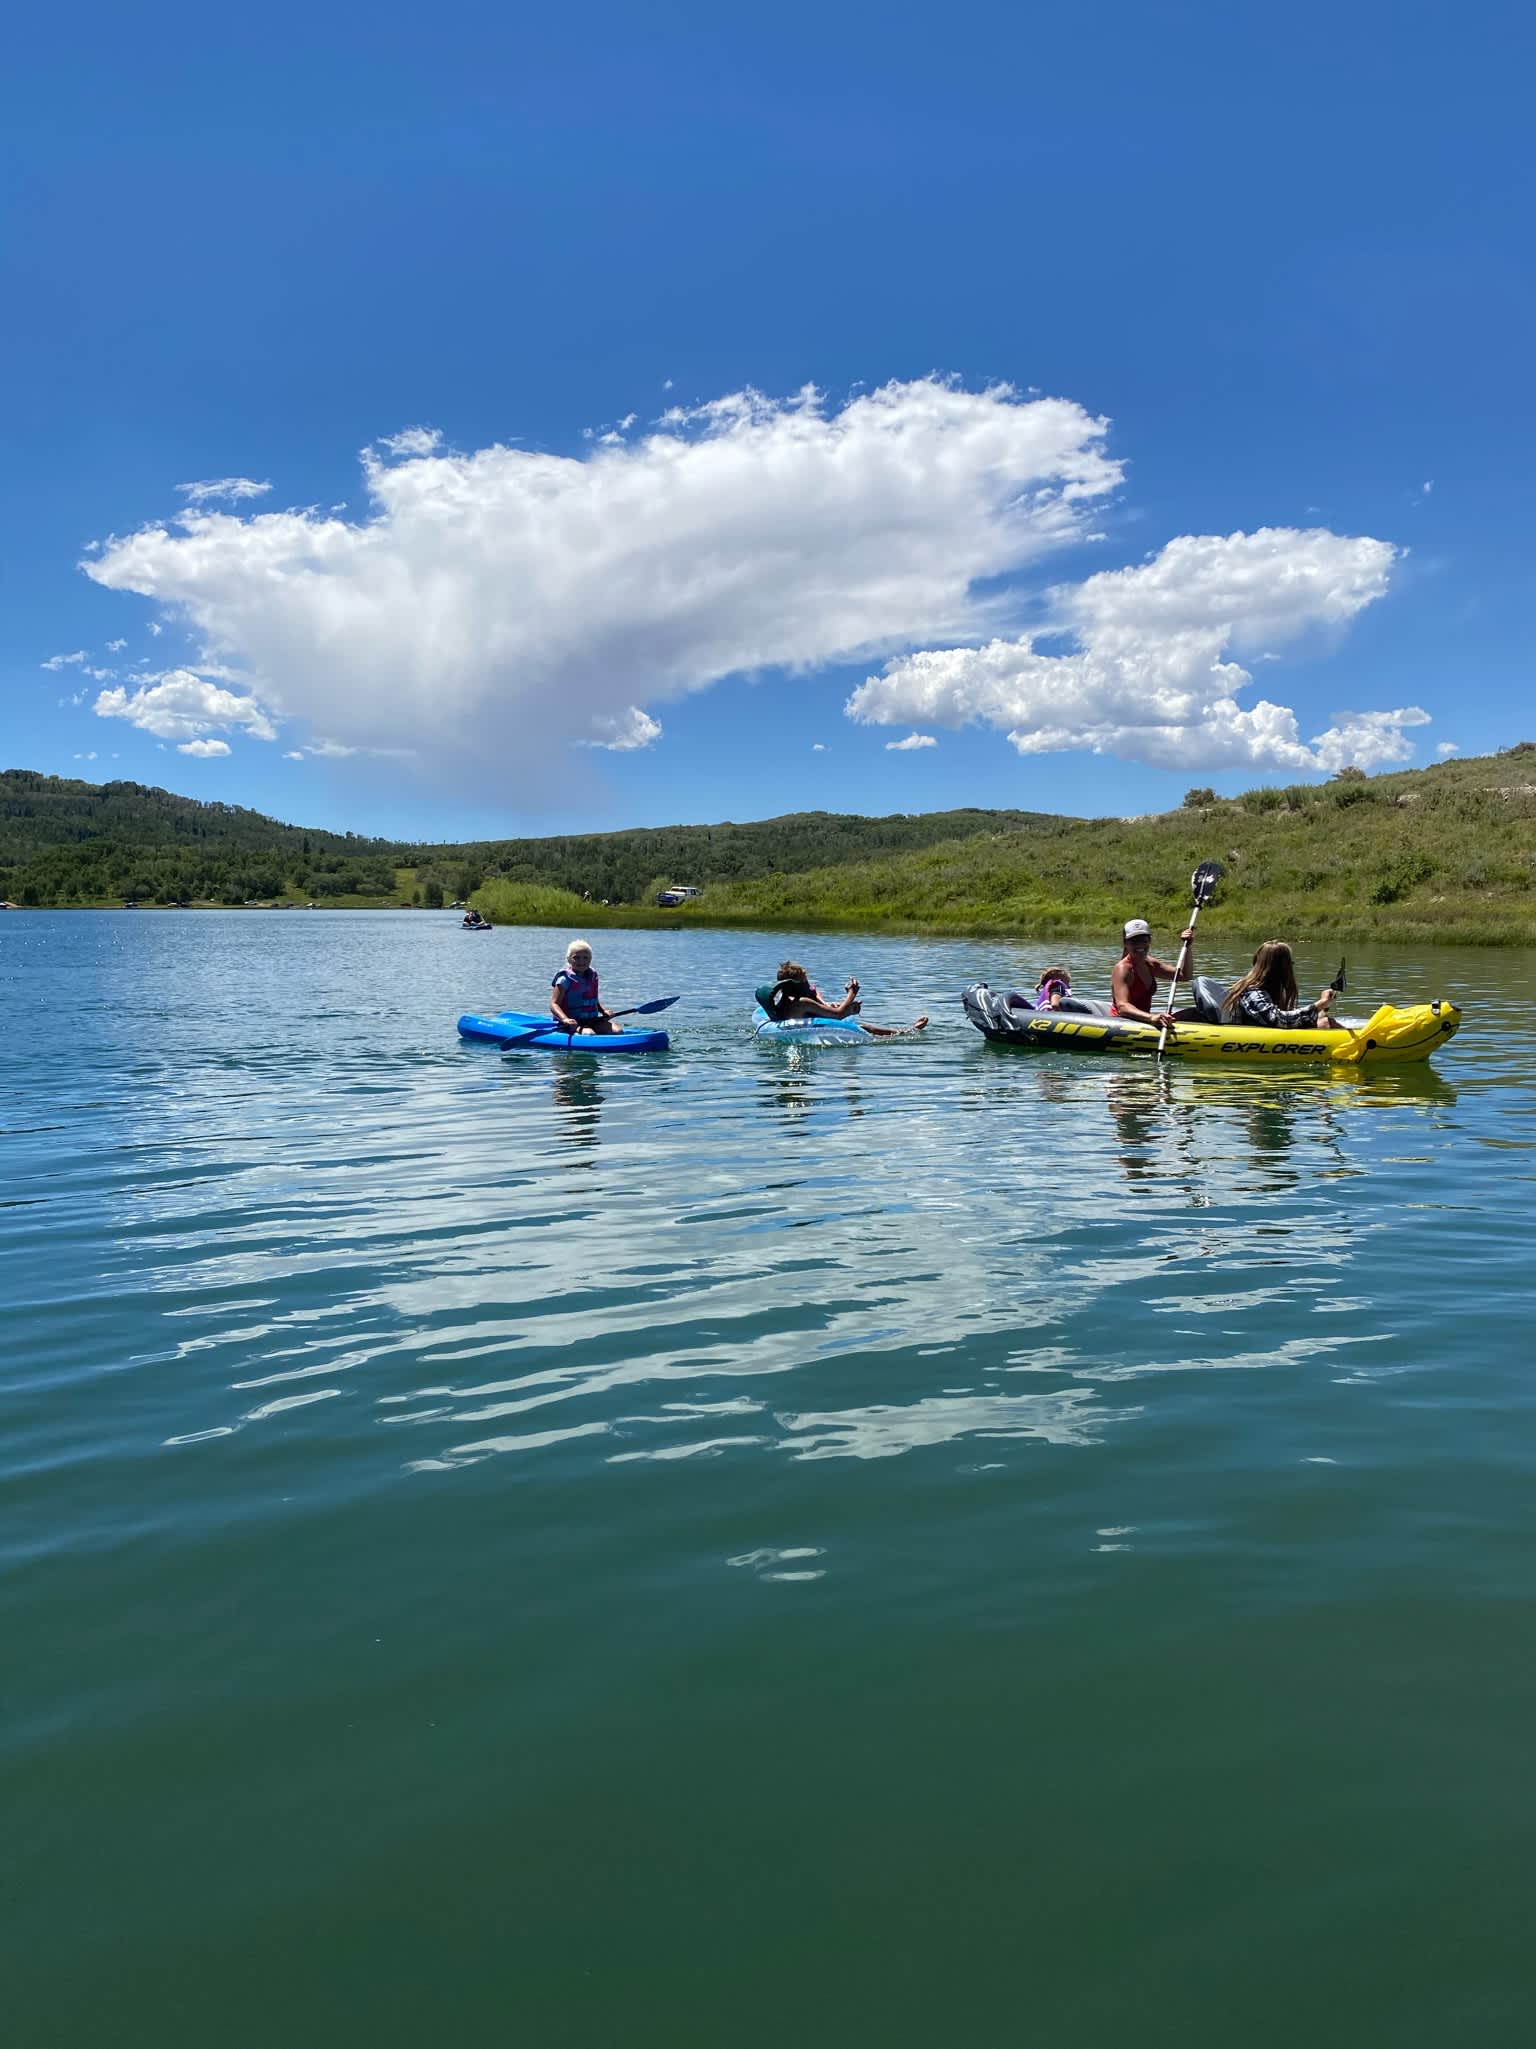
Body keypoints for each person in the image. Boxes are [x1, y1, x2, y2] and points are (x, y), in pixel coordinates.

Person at [758, 961, 927, 1036]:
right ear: (798, 984)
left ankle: (907, 1030)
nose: (809, 983)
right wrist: (852, 992)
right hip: (804, 1034)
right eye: (805, 980)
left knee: (850, 1018)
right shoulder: (802, 1002)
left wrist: (840, 1006)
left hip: (798, 1028)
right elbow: (838, 1015)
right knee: (863, 1027)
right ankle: (907, 1032)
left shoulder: (786, 999)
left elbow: (825, 1010)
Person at [1220, 941, 1337, 1030]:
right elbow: (1277, 1020)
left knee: (1324, 1020)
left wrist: (1324, 1007)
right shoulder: (1253, 992)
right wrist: (1319, 1004)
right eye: (1290, 964)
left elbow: (1291, 1019)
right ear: (1281, 968)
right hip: (1253, 1038)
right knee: (1326, 1023)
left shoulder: (1265, 991)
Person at [1110, 918, 1198, 1026]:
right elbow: (1123, 1006)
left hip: (1144, 1019)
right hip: (1122, 1021)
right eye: (1134, 942)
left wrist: (1187, 946)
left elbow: (1184, 976)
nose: (1140, 945)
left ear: (1150, 940)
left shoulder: (1150, 964)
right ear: (1125, 943)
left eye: (1144, 940)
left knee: (1195, 1013)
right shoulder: (1123, 969)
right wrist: (1152, 1017)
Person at [550, 939, 616, 1033]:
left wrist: (604, 1011)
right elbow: (553, 1004)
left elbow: (594, 1000)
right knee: (589, 1033)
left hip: (592, 1020)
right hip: (571, 1023)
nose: (581, 961)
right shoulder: (564, 980)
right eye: (576, 957)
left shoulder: (592, 976)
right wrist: (565, 1019)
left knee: (617, 1030)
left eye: (585, 958)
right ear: (569, 959)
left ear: (590, 959)